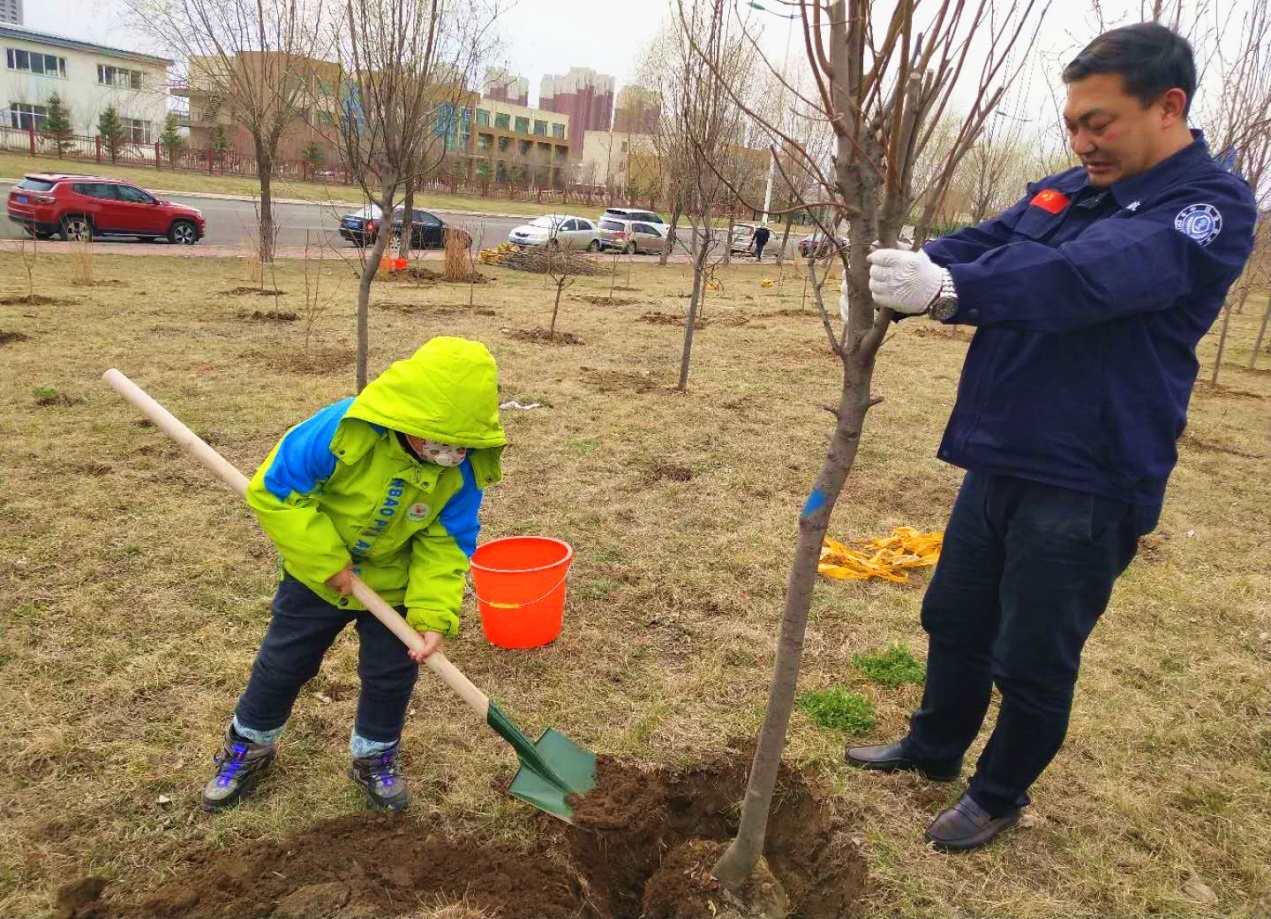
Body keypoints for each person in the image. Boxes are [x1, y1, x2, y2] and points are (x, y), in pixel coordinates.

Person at [848, 22, 1256, 851]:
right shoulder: (1066, 190)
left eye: (1098, 121)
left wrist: (949, 291)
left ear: (1167, 106)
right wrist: (912, 263)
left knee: (1031, 653)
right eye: (1072, 123)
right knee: (954, 614)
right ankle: (933, 746)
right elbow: (988, 243)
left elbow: (1091, 274)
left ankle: (997, 793)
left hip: (1092, 472)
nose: (1080, 140)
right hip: (1003, 449)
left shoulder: (1206, 208)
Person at [201, 337, 506, 812]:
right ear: (405, 419)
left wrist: (431, 613)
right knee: (283, 665)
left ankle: (374, 757)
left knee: (390, 677)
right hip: (316, 575)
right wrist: (326, 562)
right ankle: (250, 746)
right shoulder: (344, 430)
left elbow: (446, 544)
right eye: (438, 441)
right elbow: (276, 490)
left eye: (461, 444)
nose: (449, 453)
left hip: (395, 584)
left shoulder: (463, 472)